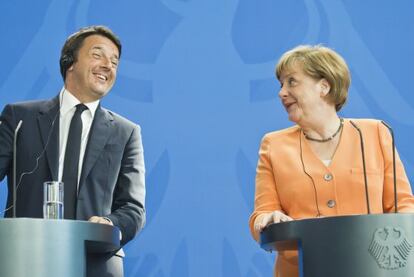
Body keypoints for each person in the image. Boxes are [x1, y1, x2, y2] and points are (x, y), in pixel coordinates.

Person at [249, 45, 414, 277]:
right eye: (281, 84)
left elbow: (403, 208)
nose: (282, 92)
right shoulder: (273, 144)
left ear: (324, 86)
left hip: (371, 270)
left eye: (292, 82)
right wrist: (267, 219)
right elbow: (263, 213)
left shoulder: (375, 133)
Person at [0, 25, 145, 277]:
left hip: (96, 264)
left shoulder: (126, 132)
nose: (108, 66)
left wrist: (110, 223)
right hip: (26, 259)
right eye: (98, 55)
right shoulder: (20, 117)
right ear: (70, 63)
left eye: (114, 62)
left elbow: (133, 208)